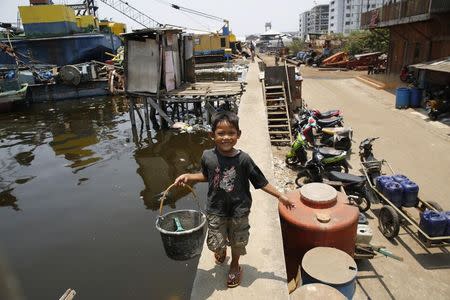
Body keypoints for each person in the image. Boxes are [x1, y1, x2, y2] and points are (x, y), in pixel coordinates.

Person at [174, 111, 295, 288]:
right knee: (216, 242)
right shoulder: (207, 156)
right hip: (216, 209)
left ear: (238, 134)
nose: (226, 137)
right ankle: (221, 250)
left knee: (238, 240)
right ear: (212, 135)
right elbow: (207, 175)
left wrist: (280, 196)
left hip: (240, 210)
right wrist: (189, 176)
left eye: (231, 133)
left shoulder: (244, 160)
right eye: (221, 133)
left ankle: (235, 264)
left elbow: (260, 182)